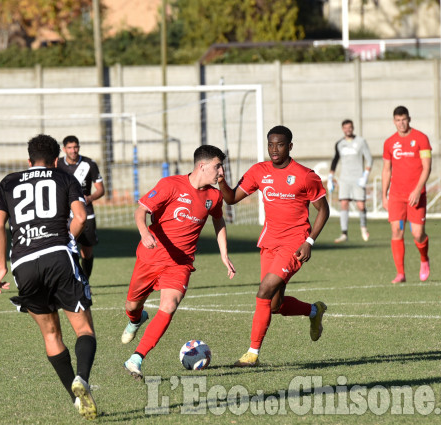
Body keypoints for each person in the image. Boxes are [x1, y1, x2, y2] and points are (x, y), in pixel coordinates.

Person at [0, 135, 97, 420]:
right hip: (57, 256)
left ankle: (75, 400)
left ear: (28, 161)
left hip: (23, 263)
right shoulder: (64, 178)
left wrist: (2, 266)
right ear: (55, 160)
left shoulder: (8, 182)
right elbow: (81, 217)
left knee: (51, 334)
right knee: (84, 329)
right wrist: (68, 241)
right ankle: (82, 378)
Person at [219, 125, 330, 367]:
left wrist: (309, 241)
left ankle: (252, 354)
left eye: (279, 144)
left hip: (294, 244)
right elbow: (231, 198)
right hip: (269, 243)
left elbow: (324, 210)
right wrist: (221, 181)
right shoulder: (259, 171)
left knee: (264, 290)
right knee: (275, 305)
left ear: (290, 146)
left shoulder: (305, 175)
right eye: (270, 144)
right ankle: (314, 311)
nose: (274, 149)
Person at [122, 145, 236, 379]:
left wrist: (224, 254)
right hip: (150, 257)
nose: (220, 171)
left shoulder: (213, 196)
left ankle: (136, 359)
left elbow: (218, 221)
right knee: (132, 306)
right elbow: (140, 210)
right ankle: (136, 319)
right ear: (202, 166)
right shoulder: (170, 185)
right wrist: (145, 233)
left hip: (180, 263)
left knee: (169, 305)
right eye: (217, 166)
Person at [382, 106, 432, 284]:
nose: (401, 123)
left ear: (409, 119)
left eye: (404, 119)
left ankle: (424, 259)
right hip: (396, 195)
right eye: (397, 120)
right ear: (394, 121)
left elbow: (427, 167)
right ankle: (400, 274)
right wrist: (384, 195)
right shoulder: (389, 142)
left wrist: (418, 189)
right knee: (396, 230)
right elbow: (386, 170)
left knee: (418, 234)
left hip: (416, 194)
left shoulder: (421, 138)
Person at [56, 135, 104, 279]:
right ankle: (69, 280)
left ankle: (85, 281)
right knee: (65, 248)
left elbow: (101, 189)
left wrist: (90, 198)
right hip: (64, 214)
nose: (73, 150)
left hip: (86, 213)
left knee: (87, 252)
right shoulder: (58, 165)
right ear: (64, 149)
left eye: (75, 147)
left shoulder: (89, 164)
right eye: (70, 148)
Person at [328, 119, 373, 243]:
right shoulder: (339, 144)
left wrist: (366, 175)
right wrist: (330, 177)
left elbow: (369, 159)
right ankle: (344, 233)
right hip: (344, 179)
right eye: (345, 128)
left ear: (353, 128)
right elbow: (335, 160)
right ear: (343, 129)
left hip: (358, 178)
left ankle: (364, 228)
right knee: (344, 203)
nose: (348, 130)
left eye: (350, 127)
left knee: (361, 205)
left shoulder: (361, 142)